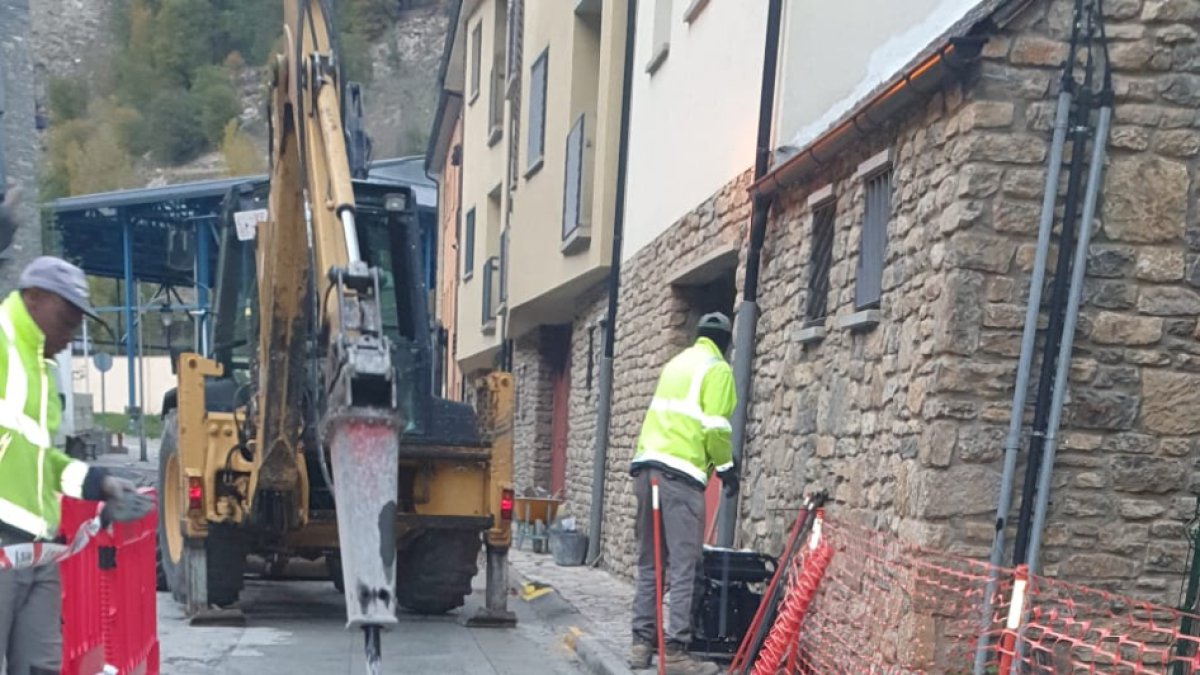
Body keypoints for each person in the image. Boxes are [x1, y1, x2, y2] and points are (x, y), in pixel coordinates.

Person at [0, 253, 152, 674]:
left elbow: (39, 459)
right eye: (67, 317)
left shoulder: (41, 369)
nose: (73, 333)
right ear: (33, 298)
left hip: (36, 545)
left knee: (40, 666)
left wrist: (100, 484)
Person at [628, 312, 739, 675]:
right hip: (681, 476)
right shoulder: (718, 369)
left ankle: (641, 645)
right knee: (684, 565)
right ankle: (675, 651)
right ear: (726, 341)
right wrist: (726, 468)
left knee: (650, 562)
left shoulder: (676, 364)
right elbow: (716, 428)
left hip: (646, 469)